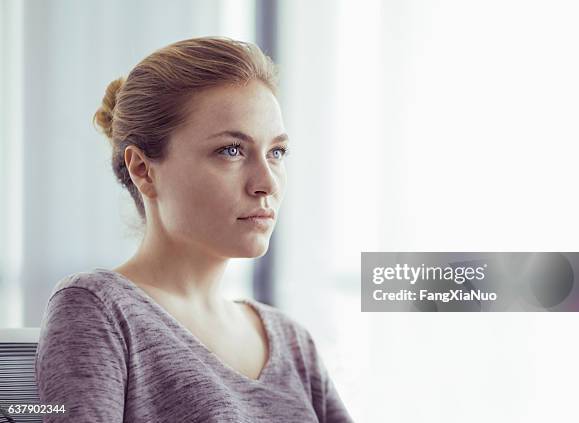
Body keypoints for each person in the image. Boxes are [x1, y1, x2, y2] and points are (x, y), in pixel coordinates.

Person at [35, 36, 354, 423]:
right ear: (143, 170)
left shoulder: (291, 342)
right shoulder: (98, 308)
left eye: (277, 152)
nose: (267, 182)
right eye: (231, 150)